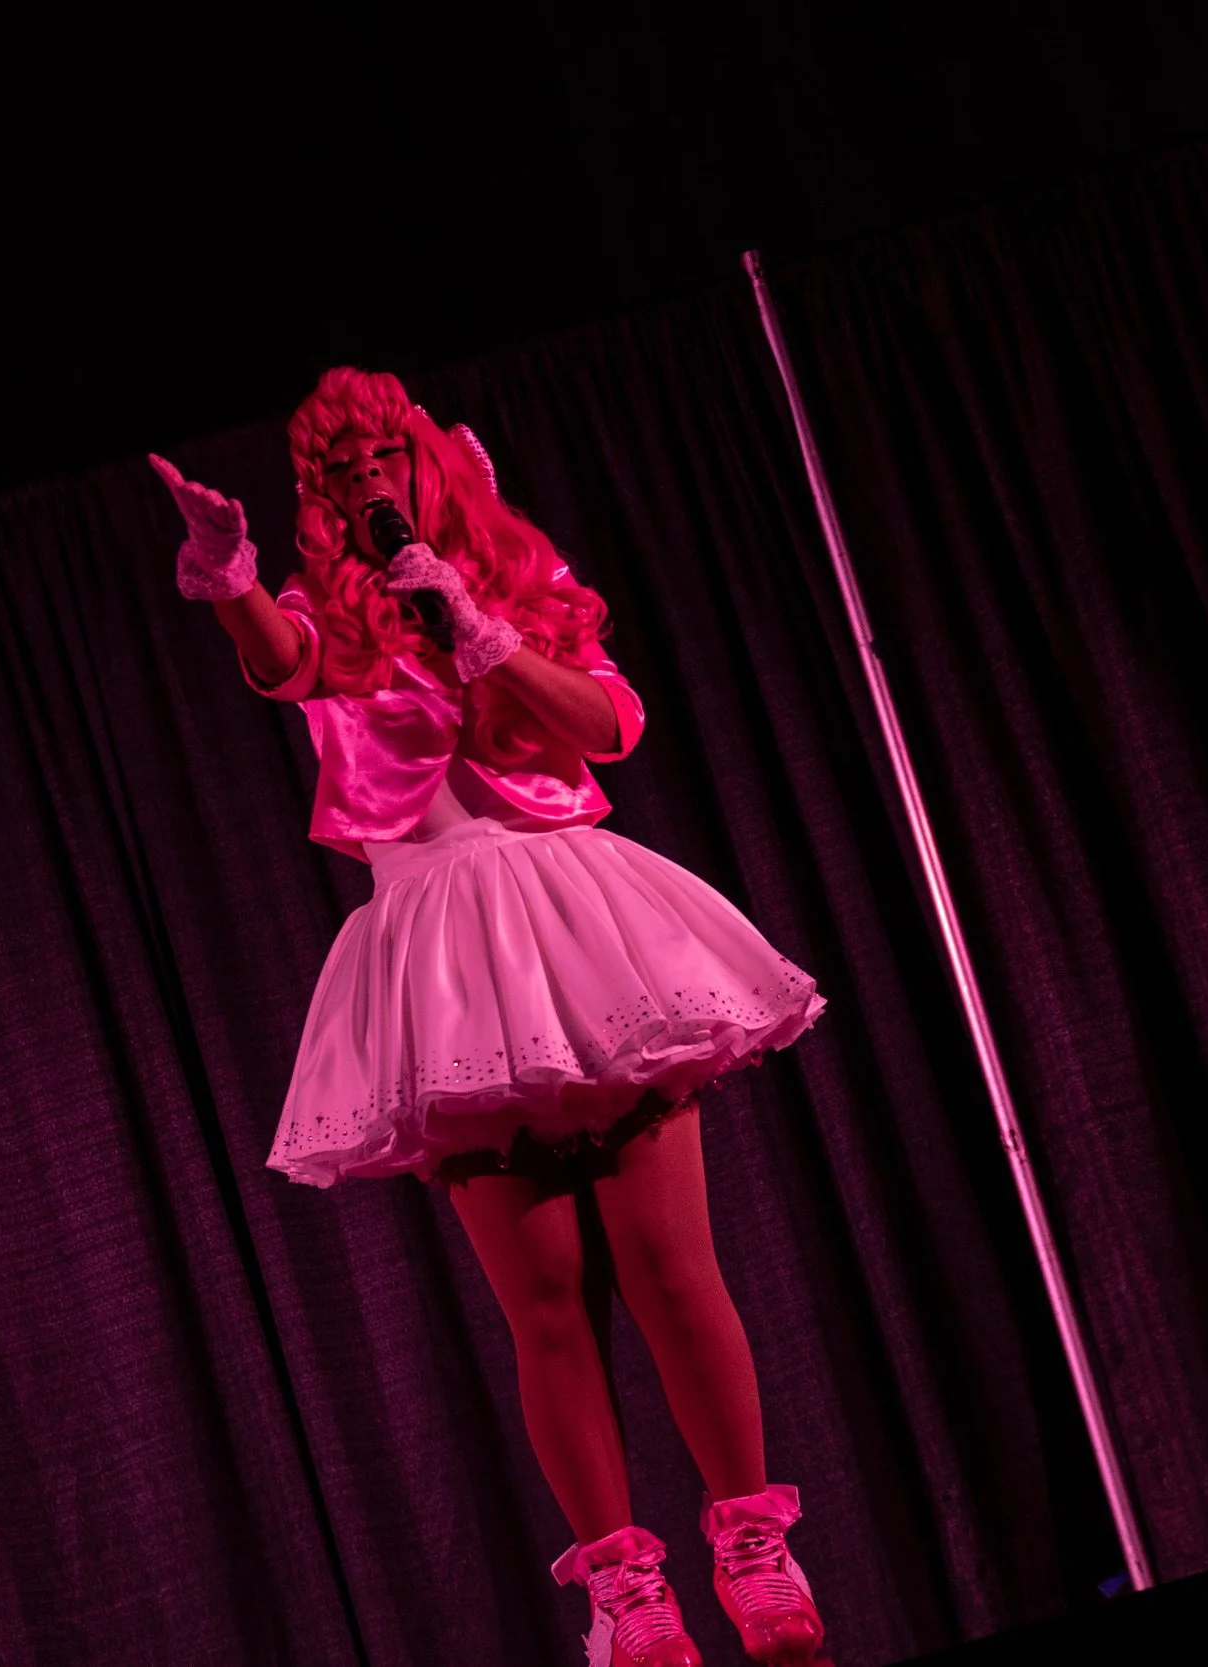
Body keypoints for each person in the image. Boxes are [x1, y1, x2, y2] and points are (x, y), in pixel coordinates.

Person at [152, 367, 831, 1667]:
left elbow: (610, 725)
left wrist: (473, 627)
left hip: (576, 926)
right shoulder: (328, 613)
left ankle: (753, 1545)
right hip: (443, 953)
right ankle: (628, 1592)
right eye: (339, 477)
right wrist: (231, 578)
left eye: (382, 463)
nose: (366, 489)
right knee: (549, 1298)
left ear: (428, 463)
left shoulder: (516, 587)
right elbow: (284, 663)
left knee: (670, 1265)